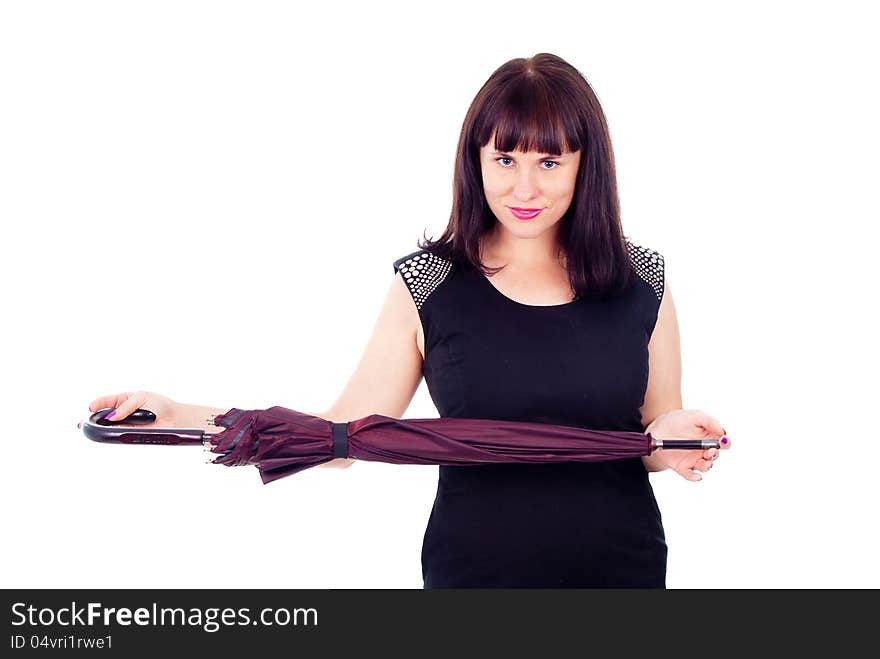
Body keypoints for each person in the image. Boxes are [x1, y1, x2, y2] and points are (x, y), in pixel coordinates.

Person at [86, 52, 730, 588]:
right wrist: (181, 415)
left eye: (549, 162)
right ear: (475, 162)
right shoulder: (428, 282)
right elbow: (341, 438)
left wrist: (673, 440)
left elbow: (647, 442)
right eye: (505, 160)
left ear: (586, 165)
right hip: (474, 577)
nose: (525, 188)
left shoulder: (643, 280)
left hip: (620, 574)